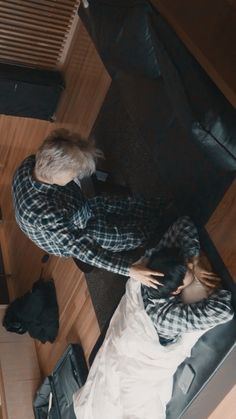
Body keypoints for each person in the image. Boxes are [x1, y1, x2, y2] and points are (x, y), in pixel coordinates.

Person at [12, 128, 168, 286]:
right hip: (76, 232)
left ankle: (159, 206)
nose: (77, 176)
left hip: (79, 208)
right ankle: (157, 228)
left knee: (123, 204)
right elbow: (79, 247)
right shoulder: (41, 213)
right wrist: (130, 270)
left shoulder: (31, 163)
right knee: (131, 235)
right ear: (57, 174)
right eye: (74, 174)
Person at [141, 216, 233, 345]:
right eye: (187, 270)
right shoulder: (167, 318)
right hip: (158, 334)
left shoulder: (154, 262)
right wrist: (209, 286)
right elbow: (223, 312)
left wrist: (194, 260)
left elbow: (183, 223)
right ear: (176, 291)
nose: (189, 266)